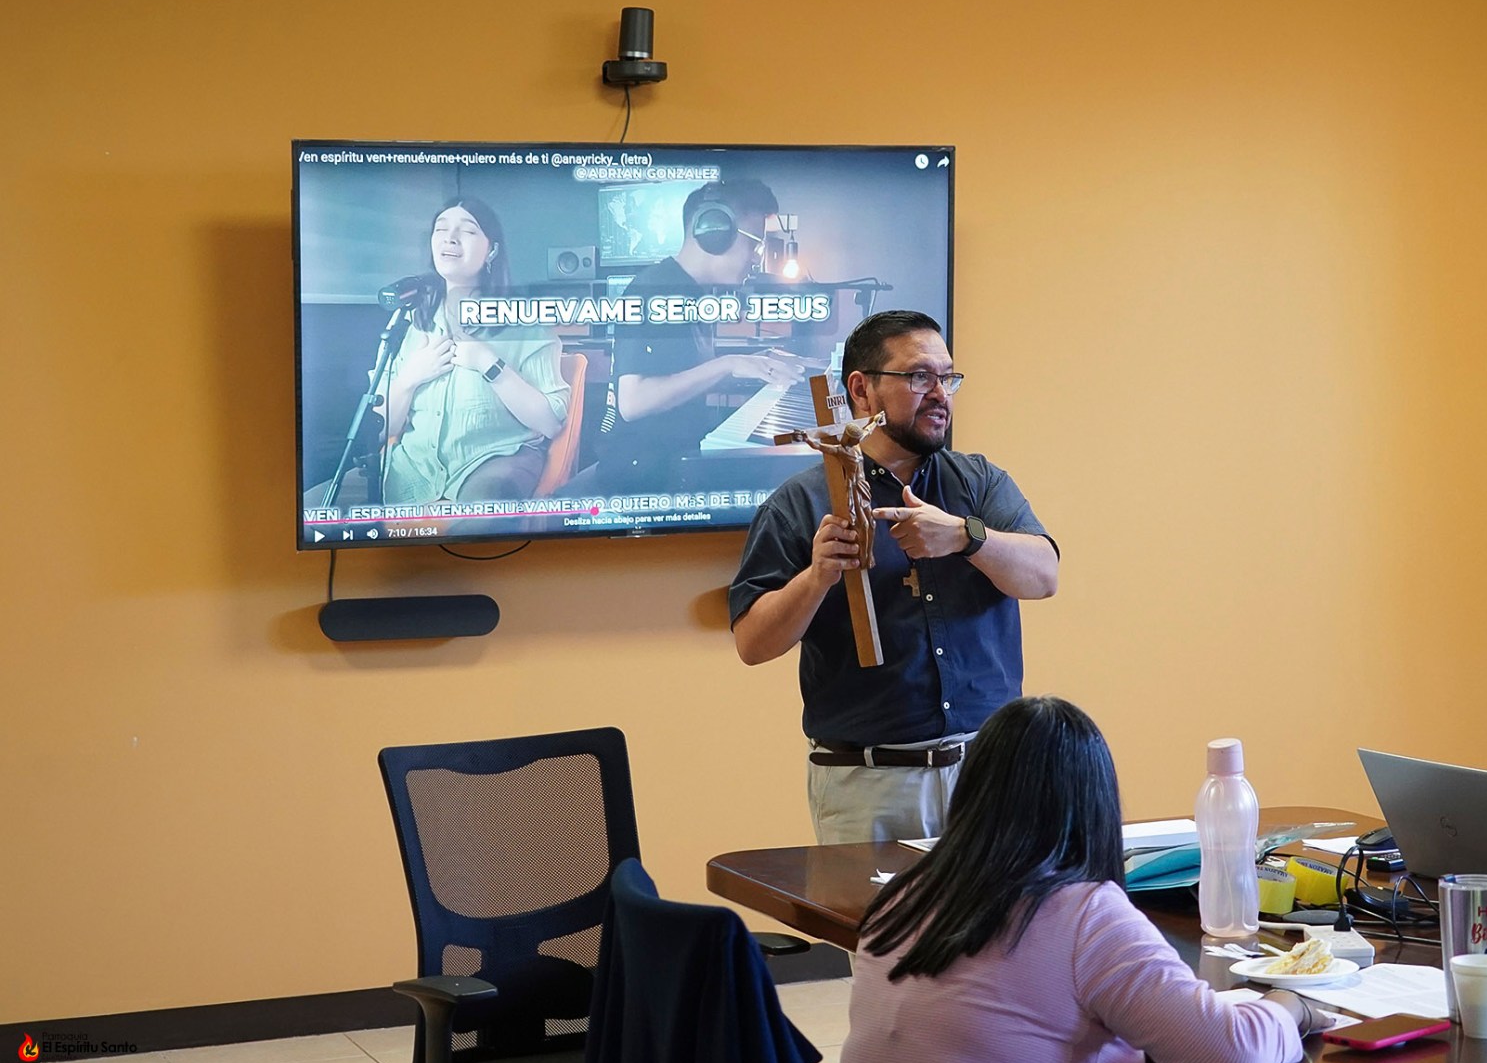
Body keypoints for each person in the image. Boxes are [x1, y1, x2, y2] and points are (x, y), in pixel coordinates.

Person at [842, 696, 1331, 1063]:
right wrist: (1290, 1007)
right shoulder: (1084, 915)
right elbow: (1229, 1055)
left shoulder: (903, 895)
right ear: (1095, 803)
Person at [728, 310, 1060, 843]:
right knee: (870, 906)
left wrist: (965, 537)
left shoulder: (978, 483)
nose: (940, 394)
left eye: (948, 377)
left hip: (990, 775)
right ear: (861, 390)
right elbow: (752, 643)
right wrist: (817, 577)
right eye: (920, 377)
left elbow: (1044, 575)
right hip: (869, 784)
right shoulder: (800, 503)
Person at [598, 178, 812, 491]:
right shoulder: (652, 289)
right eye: (754, 244)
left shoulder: (693, 293)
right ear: (715, 233)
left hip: (676, 459)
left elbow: (685, 378)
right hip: (643, 476)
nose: (756, 258)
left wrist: (759, 363)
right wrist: (727, 364)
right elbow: (632, 403)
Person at [379, 197, 569, 504]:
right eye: (441, 229)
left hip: (493, 463)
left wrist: (488, 363)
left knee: (483, 508)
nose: (450, 238)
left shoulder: (525, 324)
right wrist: (408, 379)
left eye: (467, 230)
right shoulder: (408, 321)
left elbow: (549, 423)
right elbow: (380, 428)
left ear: (492, 250)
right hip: (412, 469)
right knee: (320, 504)